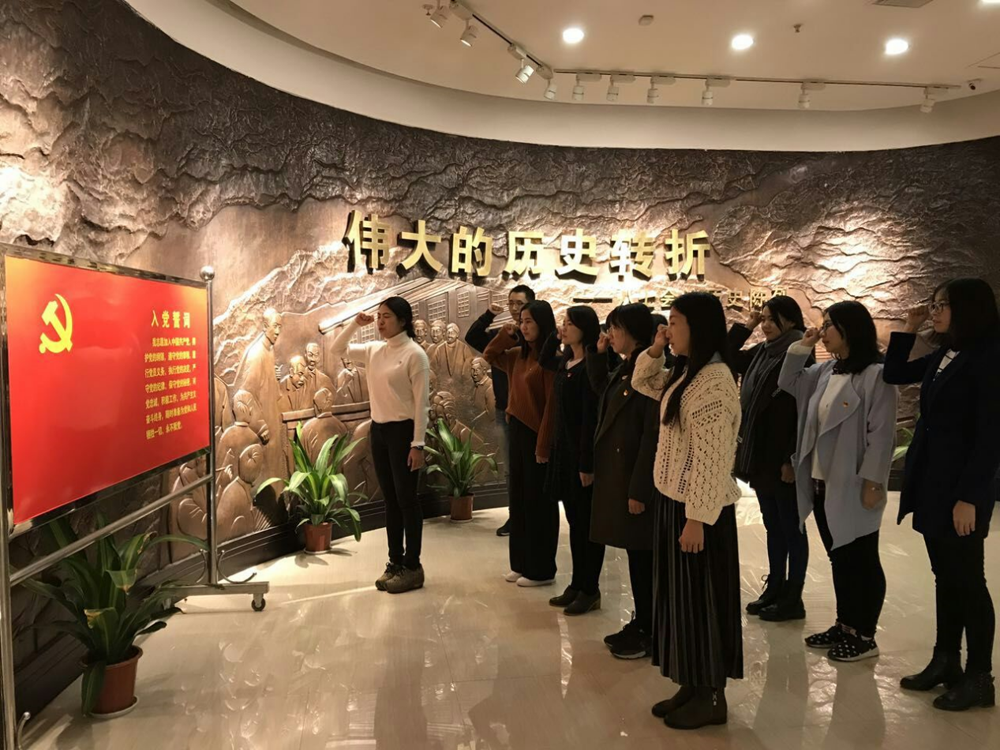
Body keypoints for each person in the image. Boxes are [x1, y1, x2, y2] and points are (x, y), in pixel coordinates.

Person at [883, 278, 1000, 711]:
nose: (935, 311)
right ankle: (946, 659)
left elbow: (990, 436)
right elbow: (894, 373)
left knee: (969, 581)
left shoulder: (988, 357)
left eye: (942, 305)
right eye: (933, 304)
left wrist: (970, 496)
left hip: (962, 491)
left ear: (969, 308)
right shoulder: (946, 353)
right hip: (933, 484)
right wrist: (908, 329)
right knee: (945, 577)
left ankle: (980, 677)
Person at [632, 292, 743, 730]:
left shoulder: (714, 380)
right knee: (682, 602)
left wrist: (696, 518)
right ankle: (692, 684)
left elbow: (712, 459)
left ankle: (712, 695)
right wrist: (657, 347)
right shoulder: (686, 371)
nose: (668, 328)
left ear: (698, 326)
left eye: (675, 322)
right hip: (676, 502)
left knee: (702, 602)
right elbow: (642, 381)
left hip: (699, 512)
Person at [778, 301, 897, 662]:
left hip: (855, 482)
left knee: (861, 558)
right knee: (839, 557)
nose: (823, 331)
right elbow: (788, 381)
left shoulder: (876, 375)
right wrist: (803, 345)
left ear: (850, 330)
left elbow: (882, 434)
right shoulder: (827, 370)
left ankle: (864, 635)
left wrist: (873, 481)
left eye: (829, 325)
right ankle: (845, 625)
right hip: (821, 481)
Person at [332, 298, 430, 595]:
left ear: (403, 320)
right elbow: (337, 349)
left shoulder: (415, 355)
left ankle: (413, 566)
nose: (380, 322)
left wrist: (418, 444)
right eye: (378, 316)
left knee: (407, 500)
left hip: (404, 433)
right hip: (380, 431)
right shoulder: (375, 350)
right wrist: (354, 324)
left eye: (386, 316)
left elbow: (422, 405)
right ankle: (395, 561)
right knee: (390, 500)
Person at [728, 297, 811, 622]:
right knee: (773, 525)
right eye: (762, 319)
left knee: (792, 528)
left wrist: (791, 457)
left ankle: (793, 596)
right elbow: (727, 354)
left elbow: (802, 410)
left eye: (771, 320)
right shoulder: (763, 352)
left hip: (782, 456)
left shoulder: (800, 352)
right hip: (760, 453)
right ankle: (775, 586)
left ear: (790, 321)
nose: (765, 325)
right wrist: (746, 326)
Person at [587, 303, 660, 658]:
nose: (610, 334)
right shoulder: (627, 366)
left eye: (615, 328)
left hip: (636, 477)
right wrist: (598, 355)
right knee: (636, 555)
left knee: (644, 557)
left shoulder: (650, 370)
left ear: (633, 331)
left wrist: (639, 489)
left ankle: (650, 628)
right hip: (622, 473)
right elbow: (603, 391)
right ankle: (642, 620)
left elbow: (650, 436)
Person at [484, 299, 558, 587]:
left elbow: (551, 407)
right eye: (521, 321)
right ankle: (520, 563)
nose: (524, 327)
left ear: (543, 324)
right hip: (516, 431)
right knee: (518, 501)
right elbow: (490, 354)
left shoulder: (550, 360)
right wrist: (507, 334)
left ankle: (541, 570)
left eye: (529, 322)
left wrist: (543, 445)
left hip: (536, 435)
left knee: (538, 503)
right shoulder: (517, 356)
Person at [541, 305, 604, 615]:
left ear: (585, 328)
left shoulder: (591, 365)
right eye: (562, 323)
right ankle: (577, 583)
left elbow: (589, 420)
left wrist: (586, 463)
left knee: (586, 526)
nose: (563, 328)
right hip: (563, 454)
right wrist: (554, 337)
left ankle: (590, 588)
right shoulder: (566, 361)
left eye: (569, 323)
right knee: (575, 523)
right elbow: (543, 359)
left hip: (582, 456)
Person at [466, 286, 536, 536]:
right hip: (504, 410)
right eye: (511, 303)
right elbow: (472, 337)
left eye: (519, 303)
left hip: (530, 412)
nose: (514, 308)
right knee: (511, 467)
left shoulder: (537, 339)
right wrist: (489, 315)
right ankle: (515, 515)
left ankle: (532, 515)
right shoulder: (501, 335)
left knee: (532, 465)